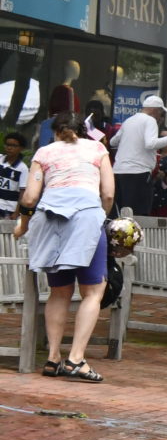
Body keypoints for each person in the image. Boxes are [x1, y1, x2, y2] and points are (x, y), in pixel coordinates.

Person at [16, 114, 115, 381]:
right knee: (93, 292)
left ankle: (53, 358)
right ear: (84, 131)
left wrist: (23, 225)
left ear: (55, 131)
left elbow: (30, 197)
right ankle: (76, 359)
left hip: (50, 220)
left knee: (59, 292)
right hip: (86, 218)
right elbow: (107, 193)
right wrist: (99, 216)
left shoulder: (44, 152)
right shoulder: (97, 148)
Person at [109, 96, 167, 219]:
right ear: (155, 110)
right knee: (137, 214)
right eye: (161, 113)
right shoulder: (150, 121)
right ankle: (136, 238)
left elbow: (113, 142)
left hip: (119, 171)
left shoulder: (129, 121)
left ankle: (117, 237)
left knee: (120, 212)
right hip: (138, 172)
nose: (160, 117)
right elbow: (150, 144)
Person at [0, 131, 28, 207]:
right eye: (7, 145)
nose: (9, 148)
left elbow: (22, 192)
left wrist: (16, 212)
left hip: (8, 209)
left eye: (14, 146)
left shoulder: (23, 168)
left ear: (21, 148)